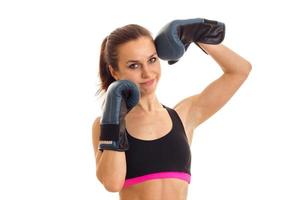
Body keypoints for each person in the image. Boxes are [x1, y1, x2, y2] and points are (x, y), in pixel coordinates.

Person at [92, 19, 252, 200]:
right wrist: (114, 119)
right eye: (134, 65)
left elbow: (240, 70)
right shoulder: (104, 124)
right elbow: (112, 183)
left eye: (152, 60)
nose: (147, 73)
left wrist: (197, 34)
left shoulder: (184, 115)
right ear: (114, 72)